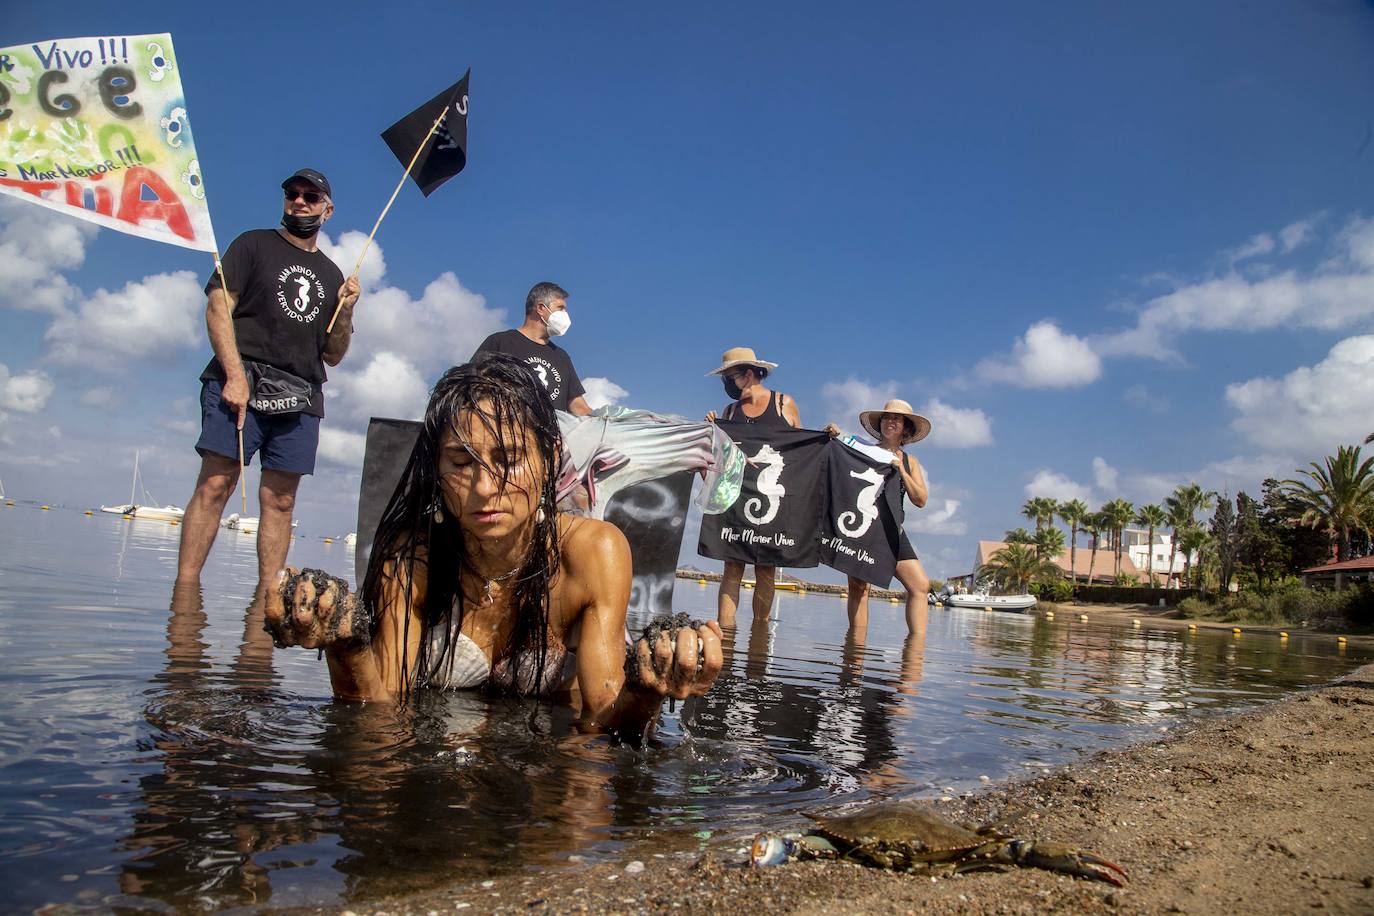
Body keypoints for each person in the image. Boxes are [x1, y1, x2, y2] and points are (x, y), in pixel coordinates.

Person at [264, 355, 722, 741]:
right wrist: (348, 646)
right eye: (461, 462)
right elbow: (379, 717)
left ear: (548, 463)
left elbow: (600, 724)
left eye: (510, 459)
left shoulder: (593, 552)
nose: (484, 488)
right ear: (437, 470)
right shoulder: (411, 559)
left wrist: (647, 689)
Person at [176, 169, 361, 595]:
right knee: (216, 484)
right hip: (242, 378)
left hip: (301, 393)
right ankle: (184, 599)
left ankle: (266, 606)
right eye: (292, 193)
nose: (298, 201)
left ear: (327, 210)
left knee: (280, 501)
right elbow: (217, 308)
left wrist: (347, 309)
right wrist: (235, 376)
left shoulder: (333, 276)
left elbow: (333, 353)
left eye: (310, 196)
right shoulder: (252, 244)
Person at [704, 347, 803, 626]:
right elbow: (720, 457)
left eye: (729, 377)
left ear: (749, 374)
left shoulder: (784, 403)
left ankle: (759, 638)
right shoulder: (730, 411)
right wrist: (712, 429)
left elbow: (800, 452)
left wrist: (826, 438)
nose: (726, 384)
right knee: (732, 567)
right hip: (736, 496)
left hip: (771, 496)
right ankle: (726, 641)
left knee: (766, 569)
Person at [844, 398, 931, 633]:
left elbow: (920, 500)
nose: (890, 422)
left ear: (906, 427)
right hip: (862, 524)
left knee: (920, 586)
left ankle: (915, 654)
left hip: (892, 530)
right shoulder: (863, 450)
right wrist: (832, 433)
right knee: (859, 587)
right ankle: (855, 654)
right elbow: (839, 447)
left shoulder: (911, 462)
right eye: (886, 417)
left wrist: (901, 470)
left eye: (896, 419)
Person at [472, 282, 592, 416]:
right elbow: (470, 385)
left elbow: (578, 405)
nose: (565, 314)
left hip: (551, 435)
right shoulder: (500, 342)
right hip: (508, 432)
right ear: (541, 308)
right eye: (560, 308)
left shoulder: (562, 357)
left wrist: (608, 420)